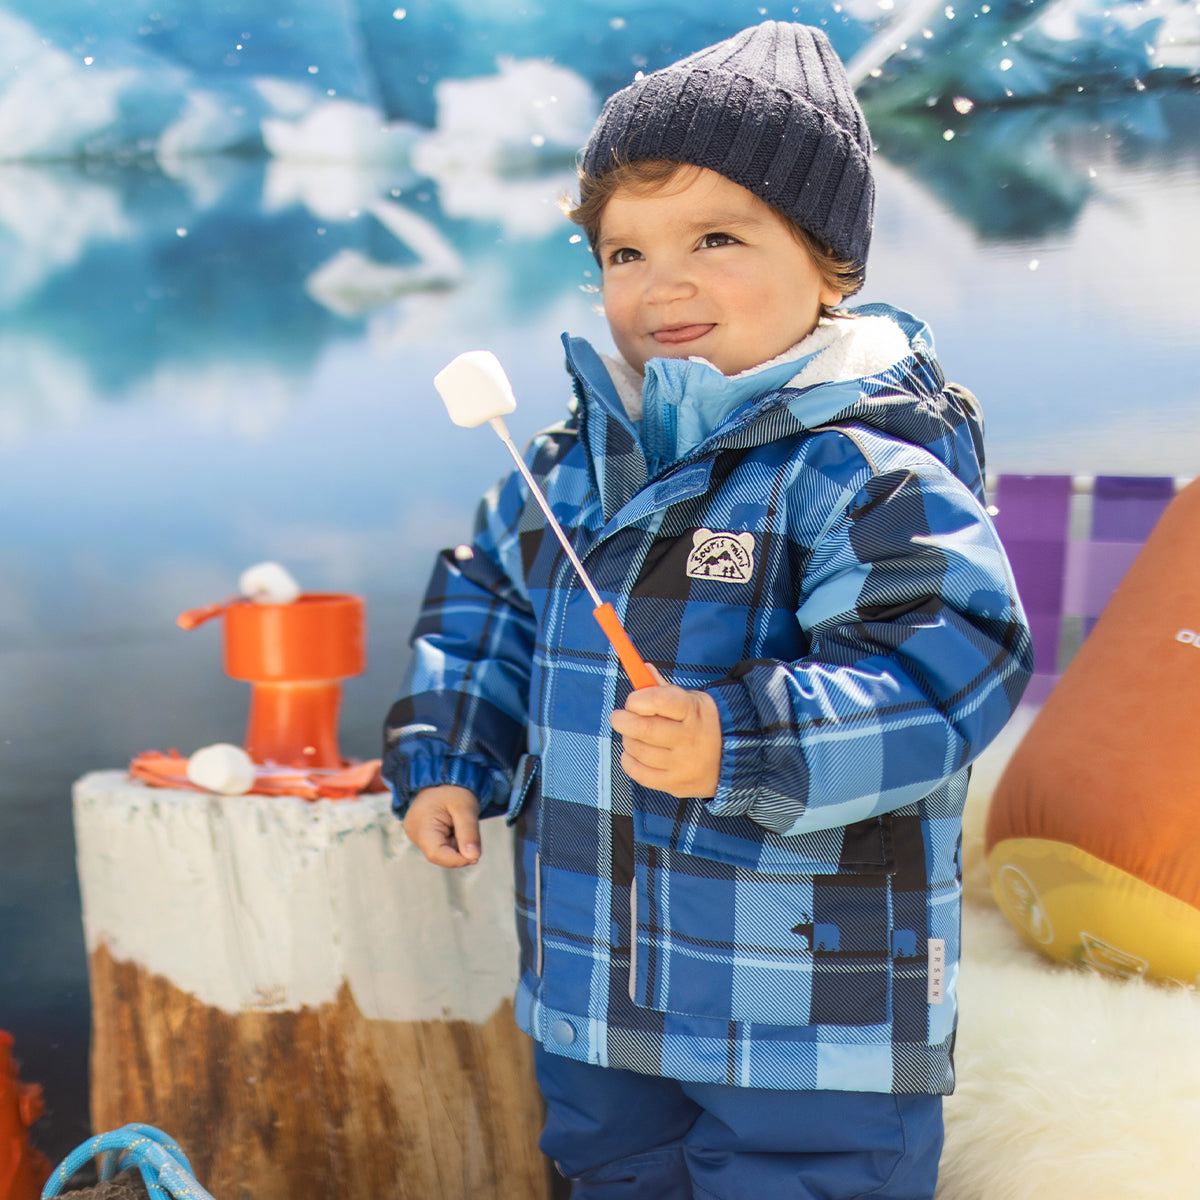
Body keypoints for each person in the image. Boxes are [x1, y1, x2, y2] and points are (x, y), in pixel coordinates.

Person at [383, 21, 1032, 1199]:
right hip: (599, 979)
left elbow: (948, 670)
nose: (659, 282)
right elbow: (487, 601)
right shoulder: (573, 461)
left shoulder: (862, 472)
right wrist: (448, 752)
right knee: (610, 1171)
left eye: (715, 238)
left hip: (805, 1005)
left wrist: (743, 737)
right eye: (623, 252)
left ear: (830, 264)